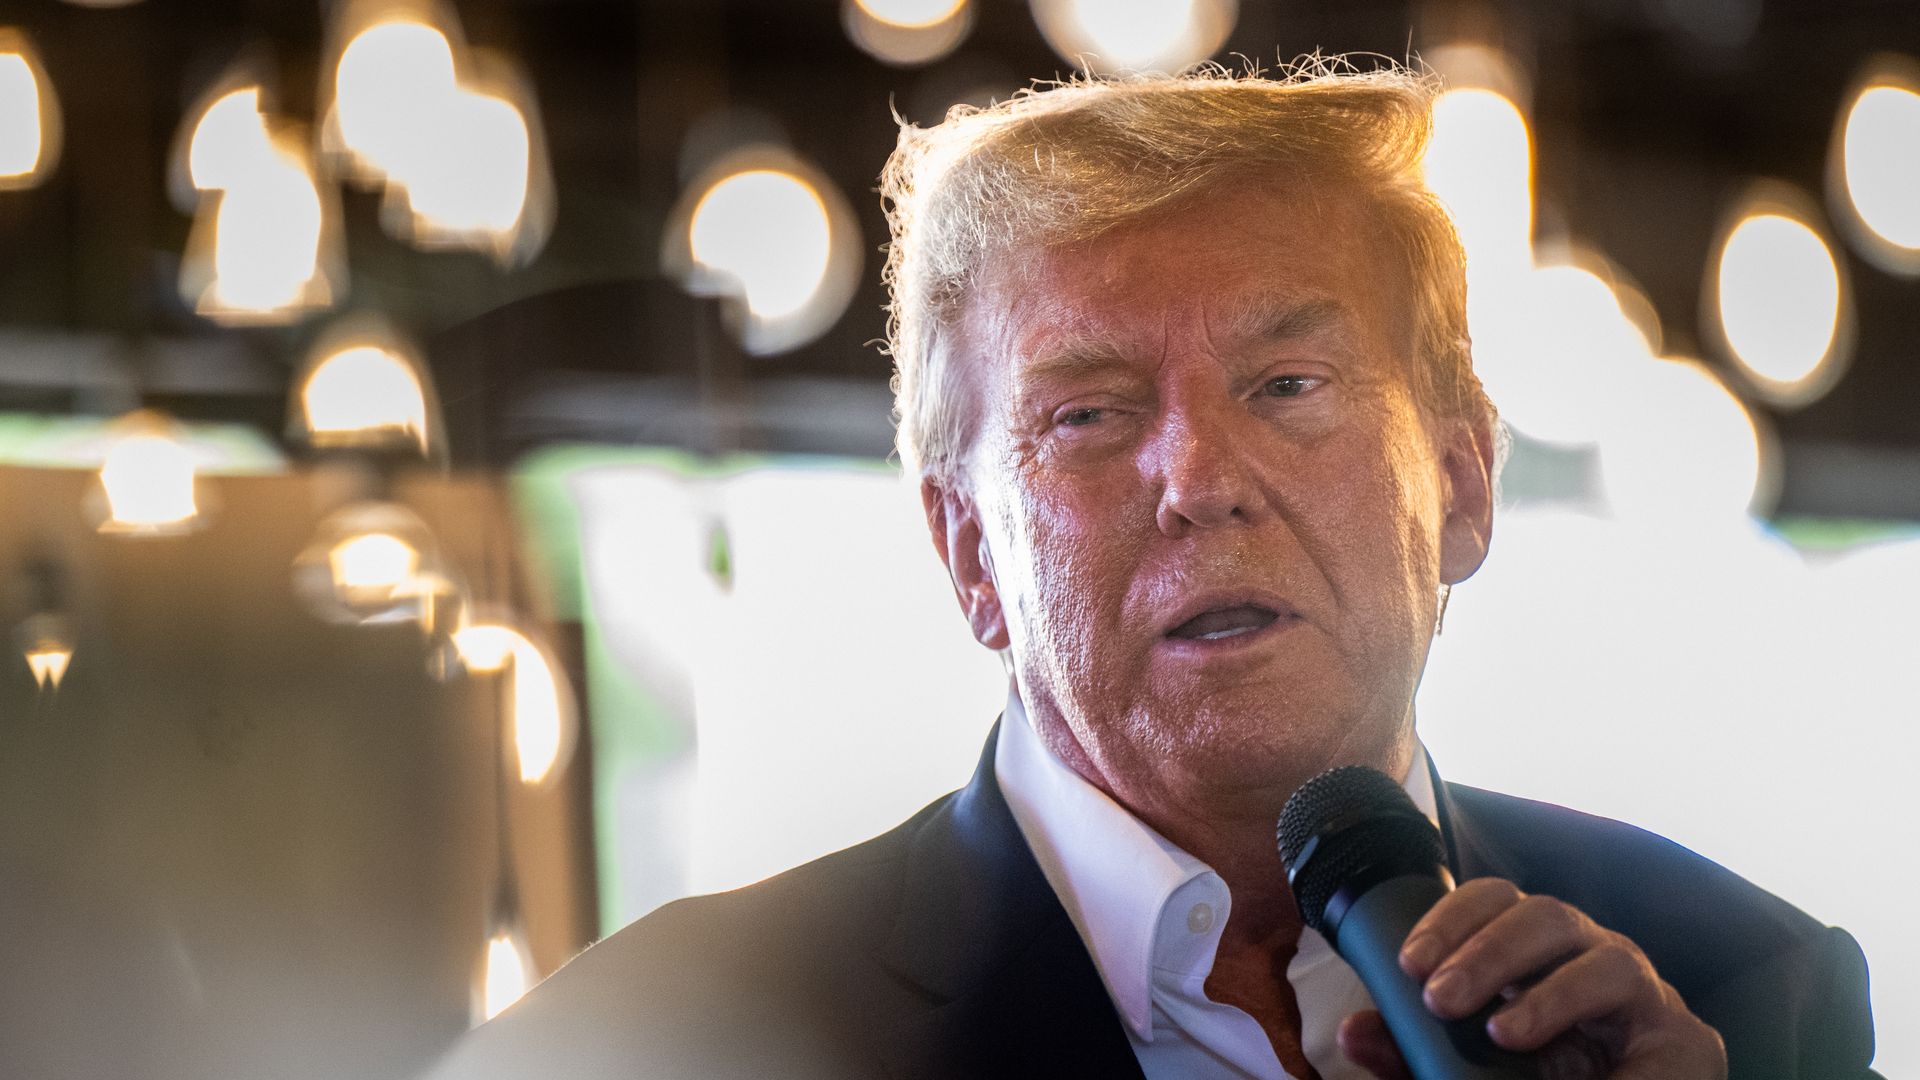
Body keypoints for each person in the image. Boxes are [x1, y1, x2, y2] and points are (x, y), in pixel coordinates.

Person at [423, 63, 1877, 1079]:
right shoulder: (651, 1048)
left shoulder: (1749, 990)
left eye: (1289, 385)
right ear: (969, 554)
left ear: (1461, 482)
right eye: (1090, 415)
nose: (1199, 479)